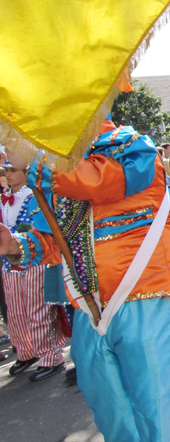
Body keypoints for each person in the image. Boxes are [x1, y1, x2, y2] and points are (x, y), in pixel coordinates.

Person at [0, 121, 170, 441]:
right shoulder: (54, 165)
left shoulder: (128, 143)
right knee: (110, 407)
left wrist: (38, 161)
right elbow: (52, 240)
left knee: (158, 402)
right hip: (89, 307)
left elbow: (102, 181)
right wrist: (14, 246)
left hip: (150, 290)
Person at [1, 160, 66, 380]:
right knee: (15, 310)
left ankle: (50, 357)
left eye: (13, 170)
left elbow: (40, 228)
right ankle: (25, 351)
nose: (9, 175)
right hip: (10, 261)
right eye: (6, 171)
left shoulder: (34, 196)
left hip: (36, 258)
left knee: (37, 308)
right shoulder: (5, 199)